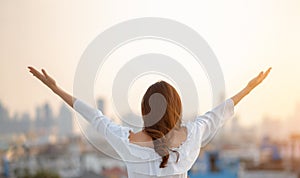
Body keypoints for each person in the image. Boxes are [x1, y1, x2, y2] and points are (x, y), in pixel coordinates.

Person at [28, 66, 271, 178]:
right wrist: (248, 89)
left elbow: (95, 116)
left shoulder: (127, 142)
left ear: (145, 110)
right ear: (177, 109)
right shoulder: (191, 138)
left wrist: (56, 89)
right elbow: (220, 112)